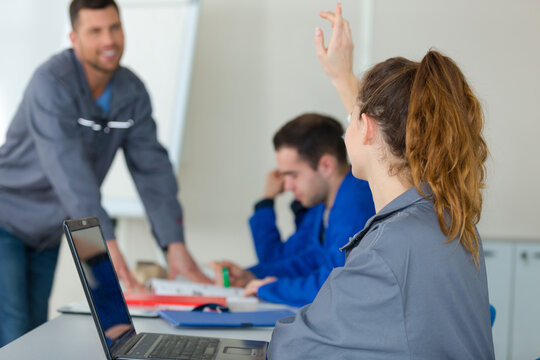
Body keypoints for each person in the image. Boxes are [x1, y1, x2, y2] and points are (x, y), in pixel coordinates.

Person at [267, 4, 495, 359]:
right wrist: (343, 79)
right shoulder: (446, 220)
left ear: (368, 127)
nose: (345, 133)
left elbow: (290, 348)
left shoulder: (388, 248)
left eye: (352, 121)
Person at [0, 0, 210, 347]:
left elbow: (153, 170)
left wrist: (175, 246)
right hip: (7, 218)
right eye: (95, 31)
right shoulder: (51, 82)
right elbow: (68, 172)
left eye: (114, 27)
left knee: (34, 328)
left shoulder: (132, 91)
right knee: (13, 325)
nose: (108, 40)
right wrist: (104, 246)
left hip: (48, 232)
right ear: (73, 37)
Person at [213, 113, 375, 307]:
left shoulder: (355, 203)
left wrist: (268, 288)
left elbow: (334, 284)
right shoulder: (326, 206)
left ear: (326, 165)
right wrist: (252, 276)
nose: (287, 186)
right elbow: (308, 260)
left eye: (293, 175)